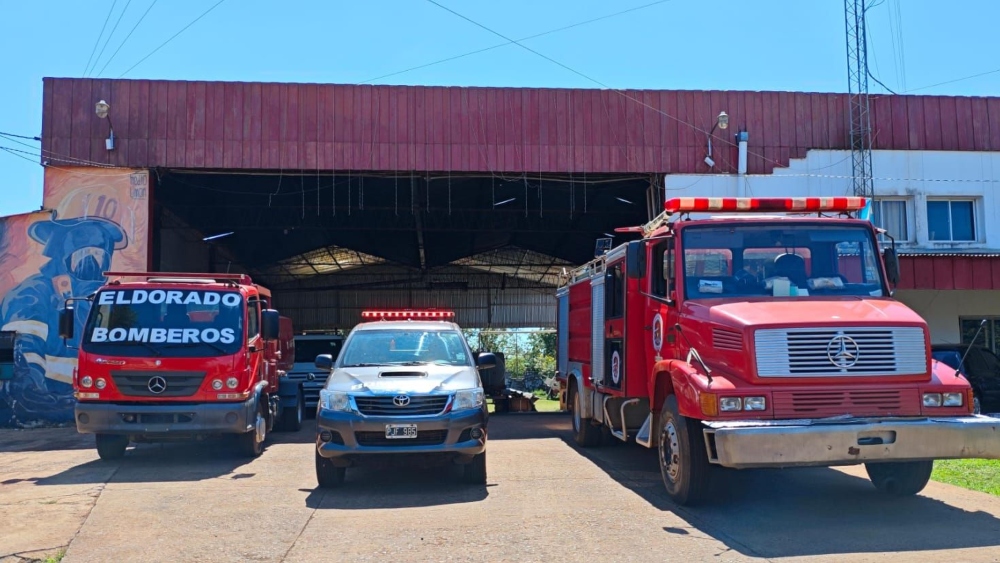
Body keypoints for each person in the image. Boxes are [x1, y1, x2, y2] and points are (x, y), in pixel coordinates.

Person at [0, 216, 125, 423]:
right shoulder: (32, 294)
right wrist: (32, 391)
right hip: (42, 402)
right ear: (61, 260)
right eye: (83, 255)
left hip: (80, 400)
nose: (91, 264)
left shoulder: (95, 301)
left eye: (99, 256)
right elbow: (24, 351)